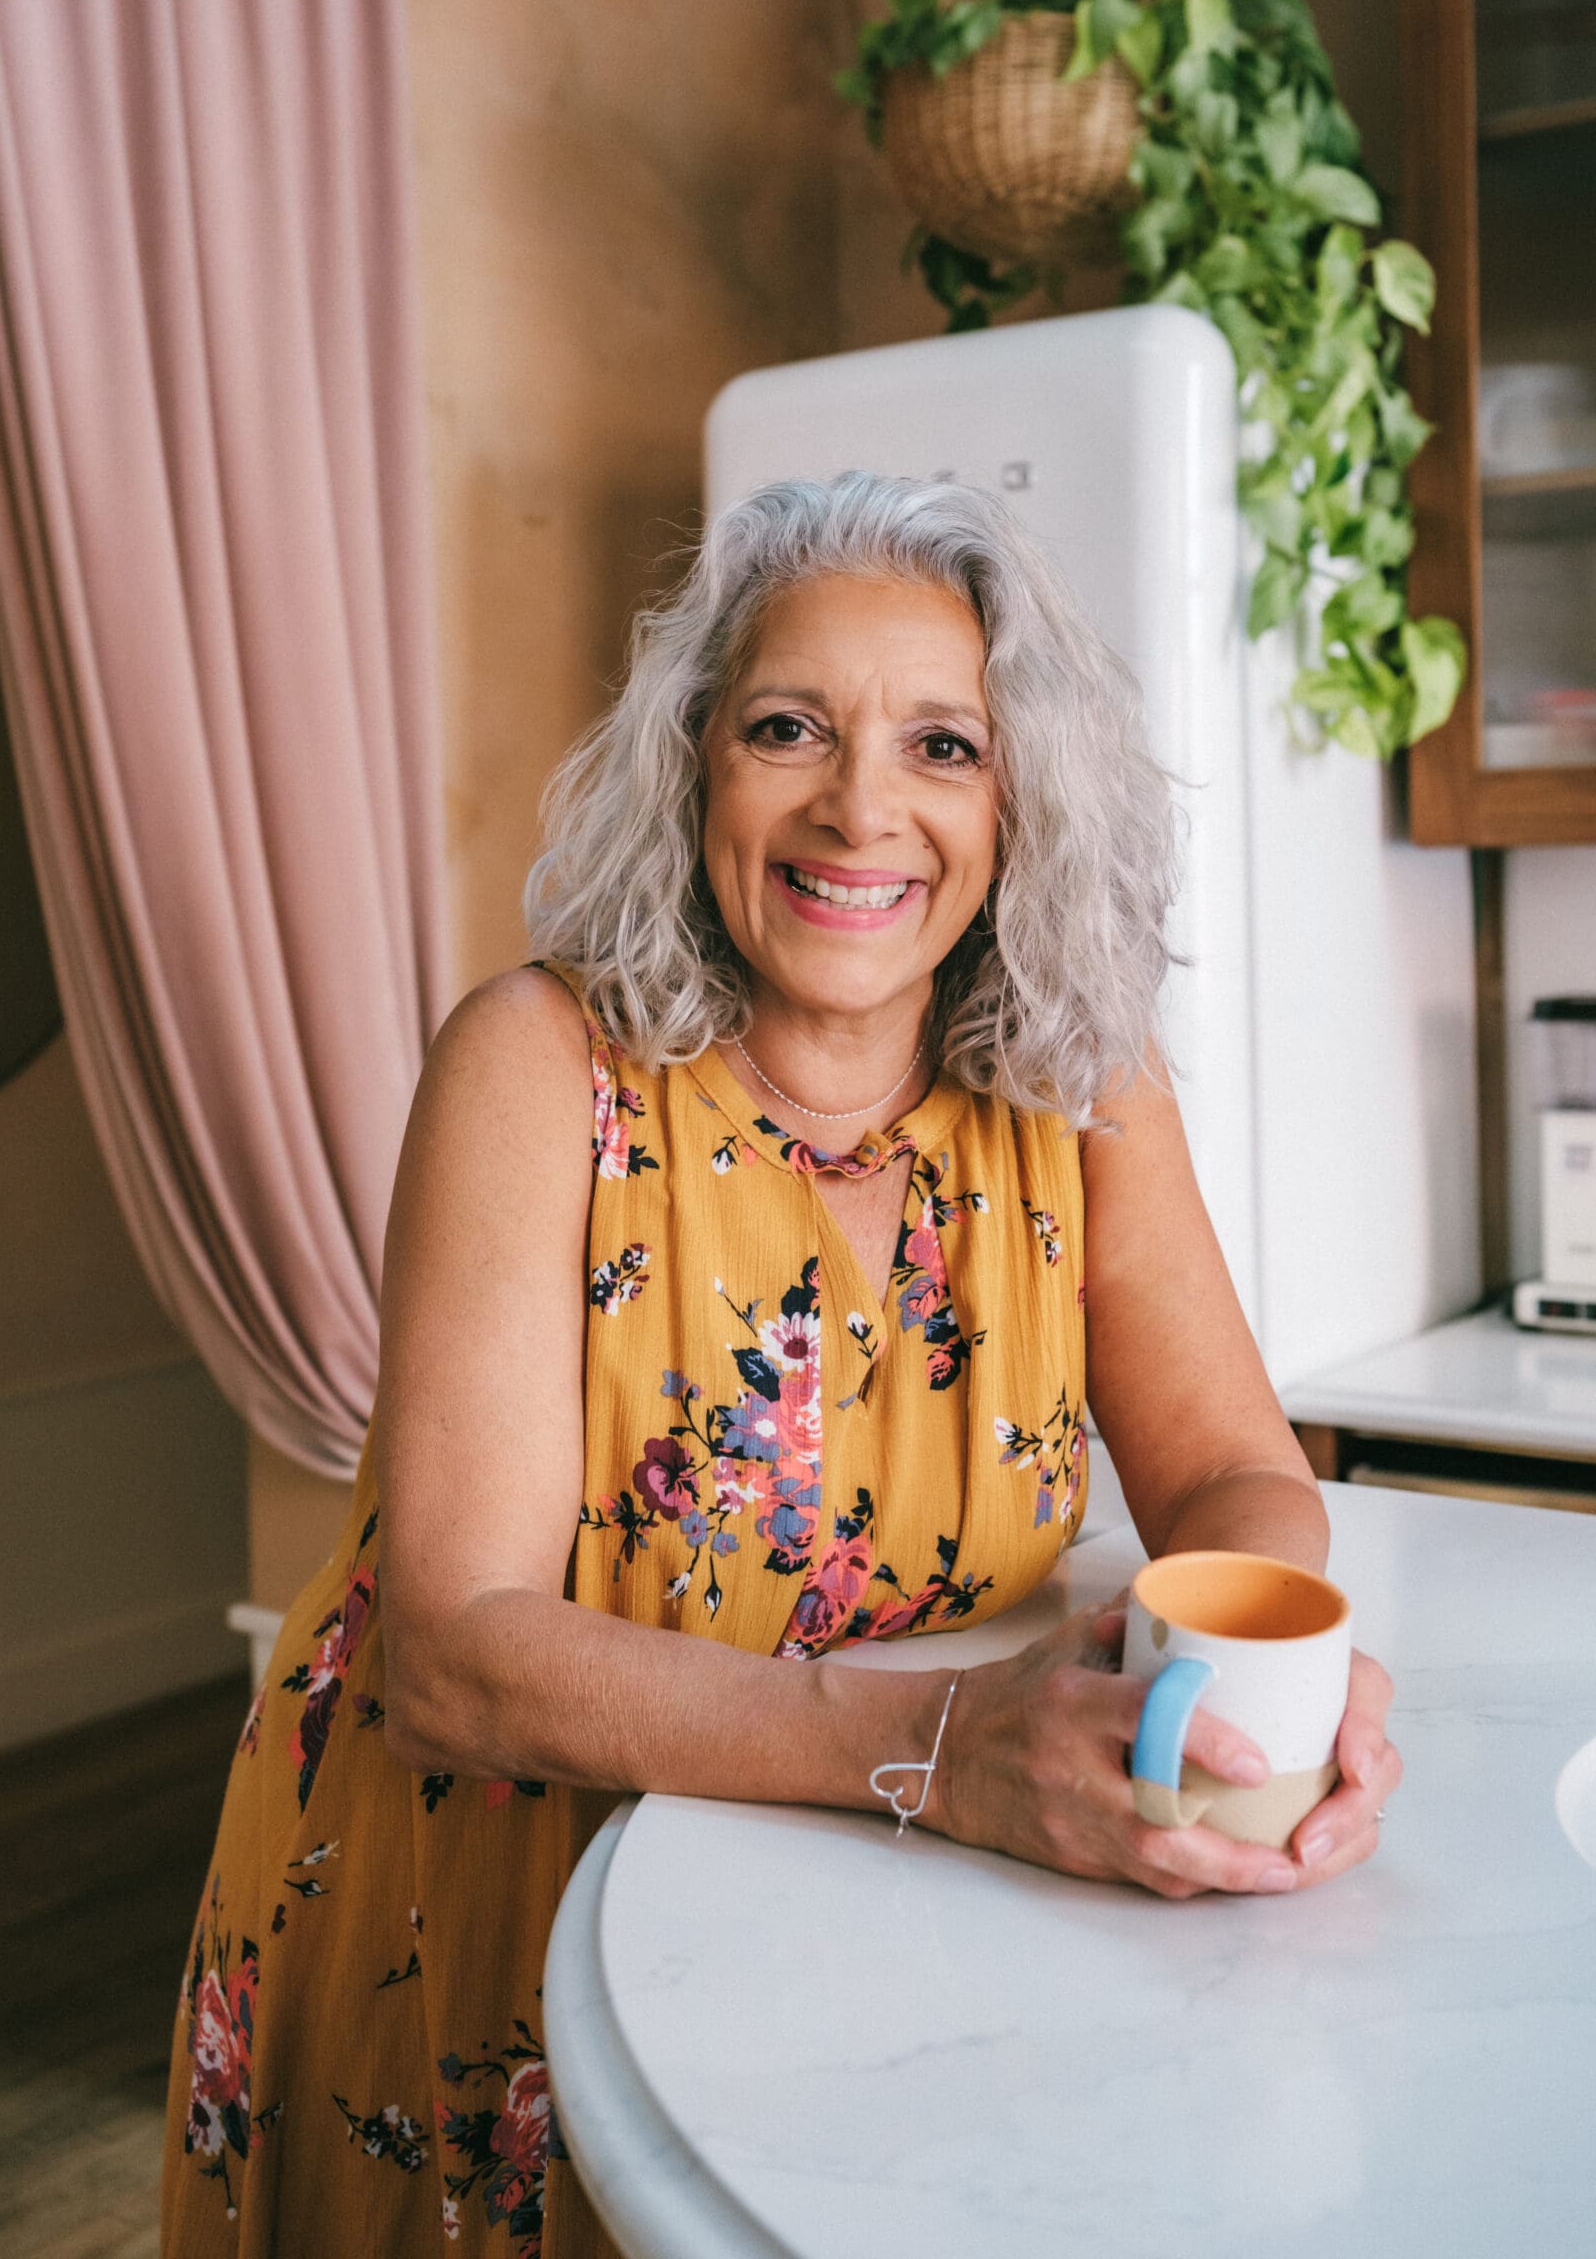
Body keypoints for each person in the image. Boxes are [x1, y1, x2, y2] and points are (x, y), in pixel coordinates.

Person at [161, 472, 1401, 2256]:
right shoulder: (535, 1070)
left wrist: (1250, 1684)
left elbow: (1230, 1467)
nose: (860, 807)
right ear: (694, 769)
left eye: (944, 748)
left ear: (1023, 801)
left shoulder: (1086, 1088)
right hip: (491, 1917)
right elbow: (455, 1649)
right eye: (788, 727)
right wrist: (953, 1751)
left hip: (876, 1896)